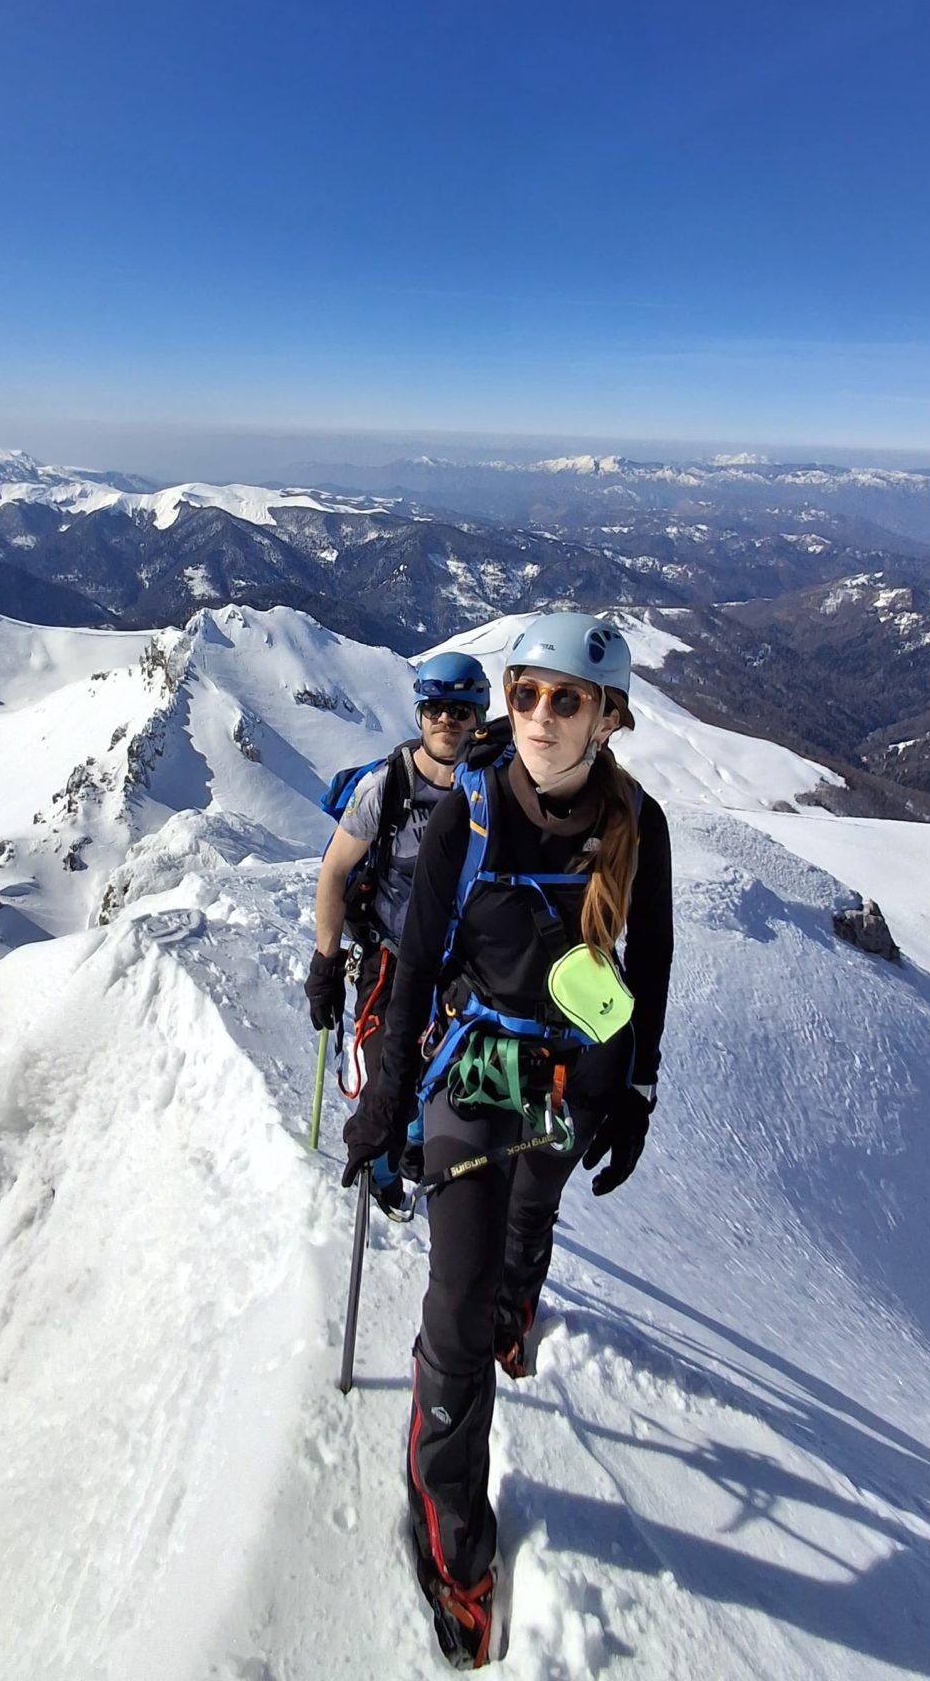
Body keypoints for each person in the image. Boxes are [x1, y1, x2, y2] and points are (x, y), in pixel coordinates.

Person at [341, 612, 674, 1669]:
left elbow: (650, 963)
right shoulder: (473, 809)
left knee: (532, 1219)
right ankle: (456, 1541)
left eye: (564, 699)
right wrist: (385, 1105)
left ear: (608, 717)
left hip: (576, 1074)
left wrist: (638, 1090)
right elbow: (417, 958)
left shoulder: (639, 823)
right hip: (479, 1066)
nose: (537, 714)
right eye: (524, 693)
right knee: (459, 1294)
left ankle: (516, 1310)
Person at [304, 651, 492, 1211]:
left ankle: (414, 1143)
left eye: (459, 710)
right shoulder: (386, 787)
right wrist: (326, 963)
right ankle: (385, 1170)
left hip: (464, 963)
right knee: (389, 1067)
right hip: (391, 954)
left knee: (445, 1071)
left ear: (479, 715)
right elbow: (335, 870)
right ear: (419, 714)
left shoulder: (493, 788)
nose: (446, 720)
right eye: (435, 709)